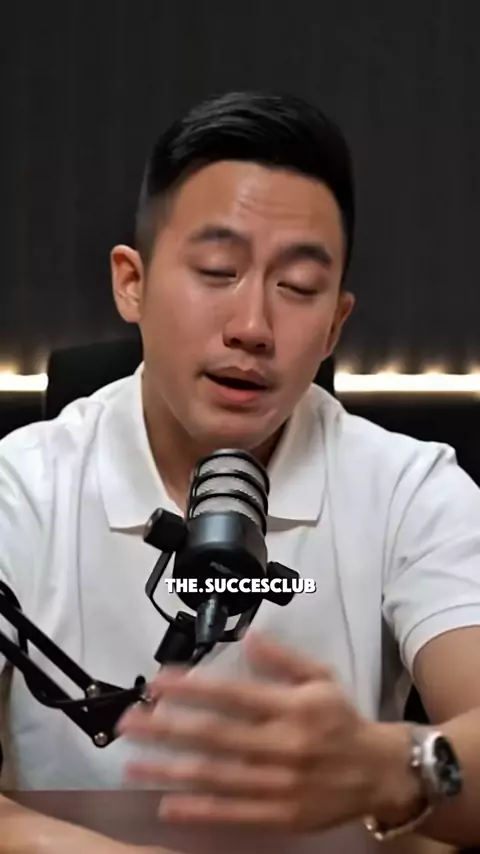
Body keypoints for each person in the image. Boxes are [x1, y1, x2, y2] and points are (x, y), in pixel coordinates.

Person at [0, 89, 480, 854]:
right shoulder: (19, 489)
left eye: (299, 288)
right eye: (217, 270)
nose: (253, 327)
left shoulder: (411, 489)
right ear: (131, 282)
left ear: (335, 324)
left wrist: (396, 767)